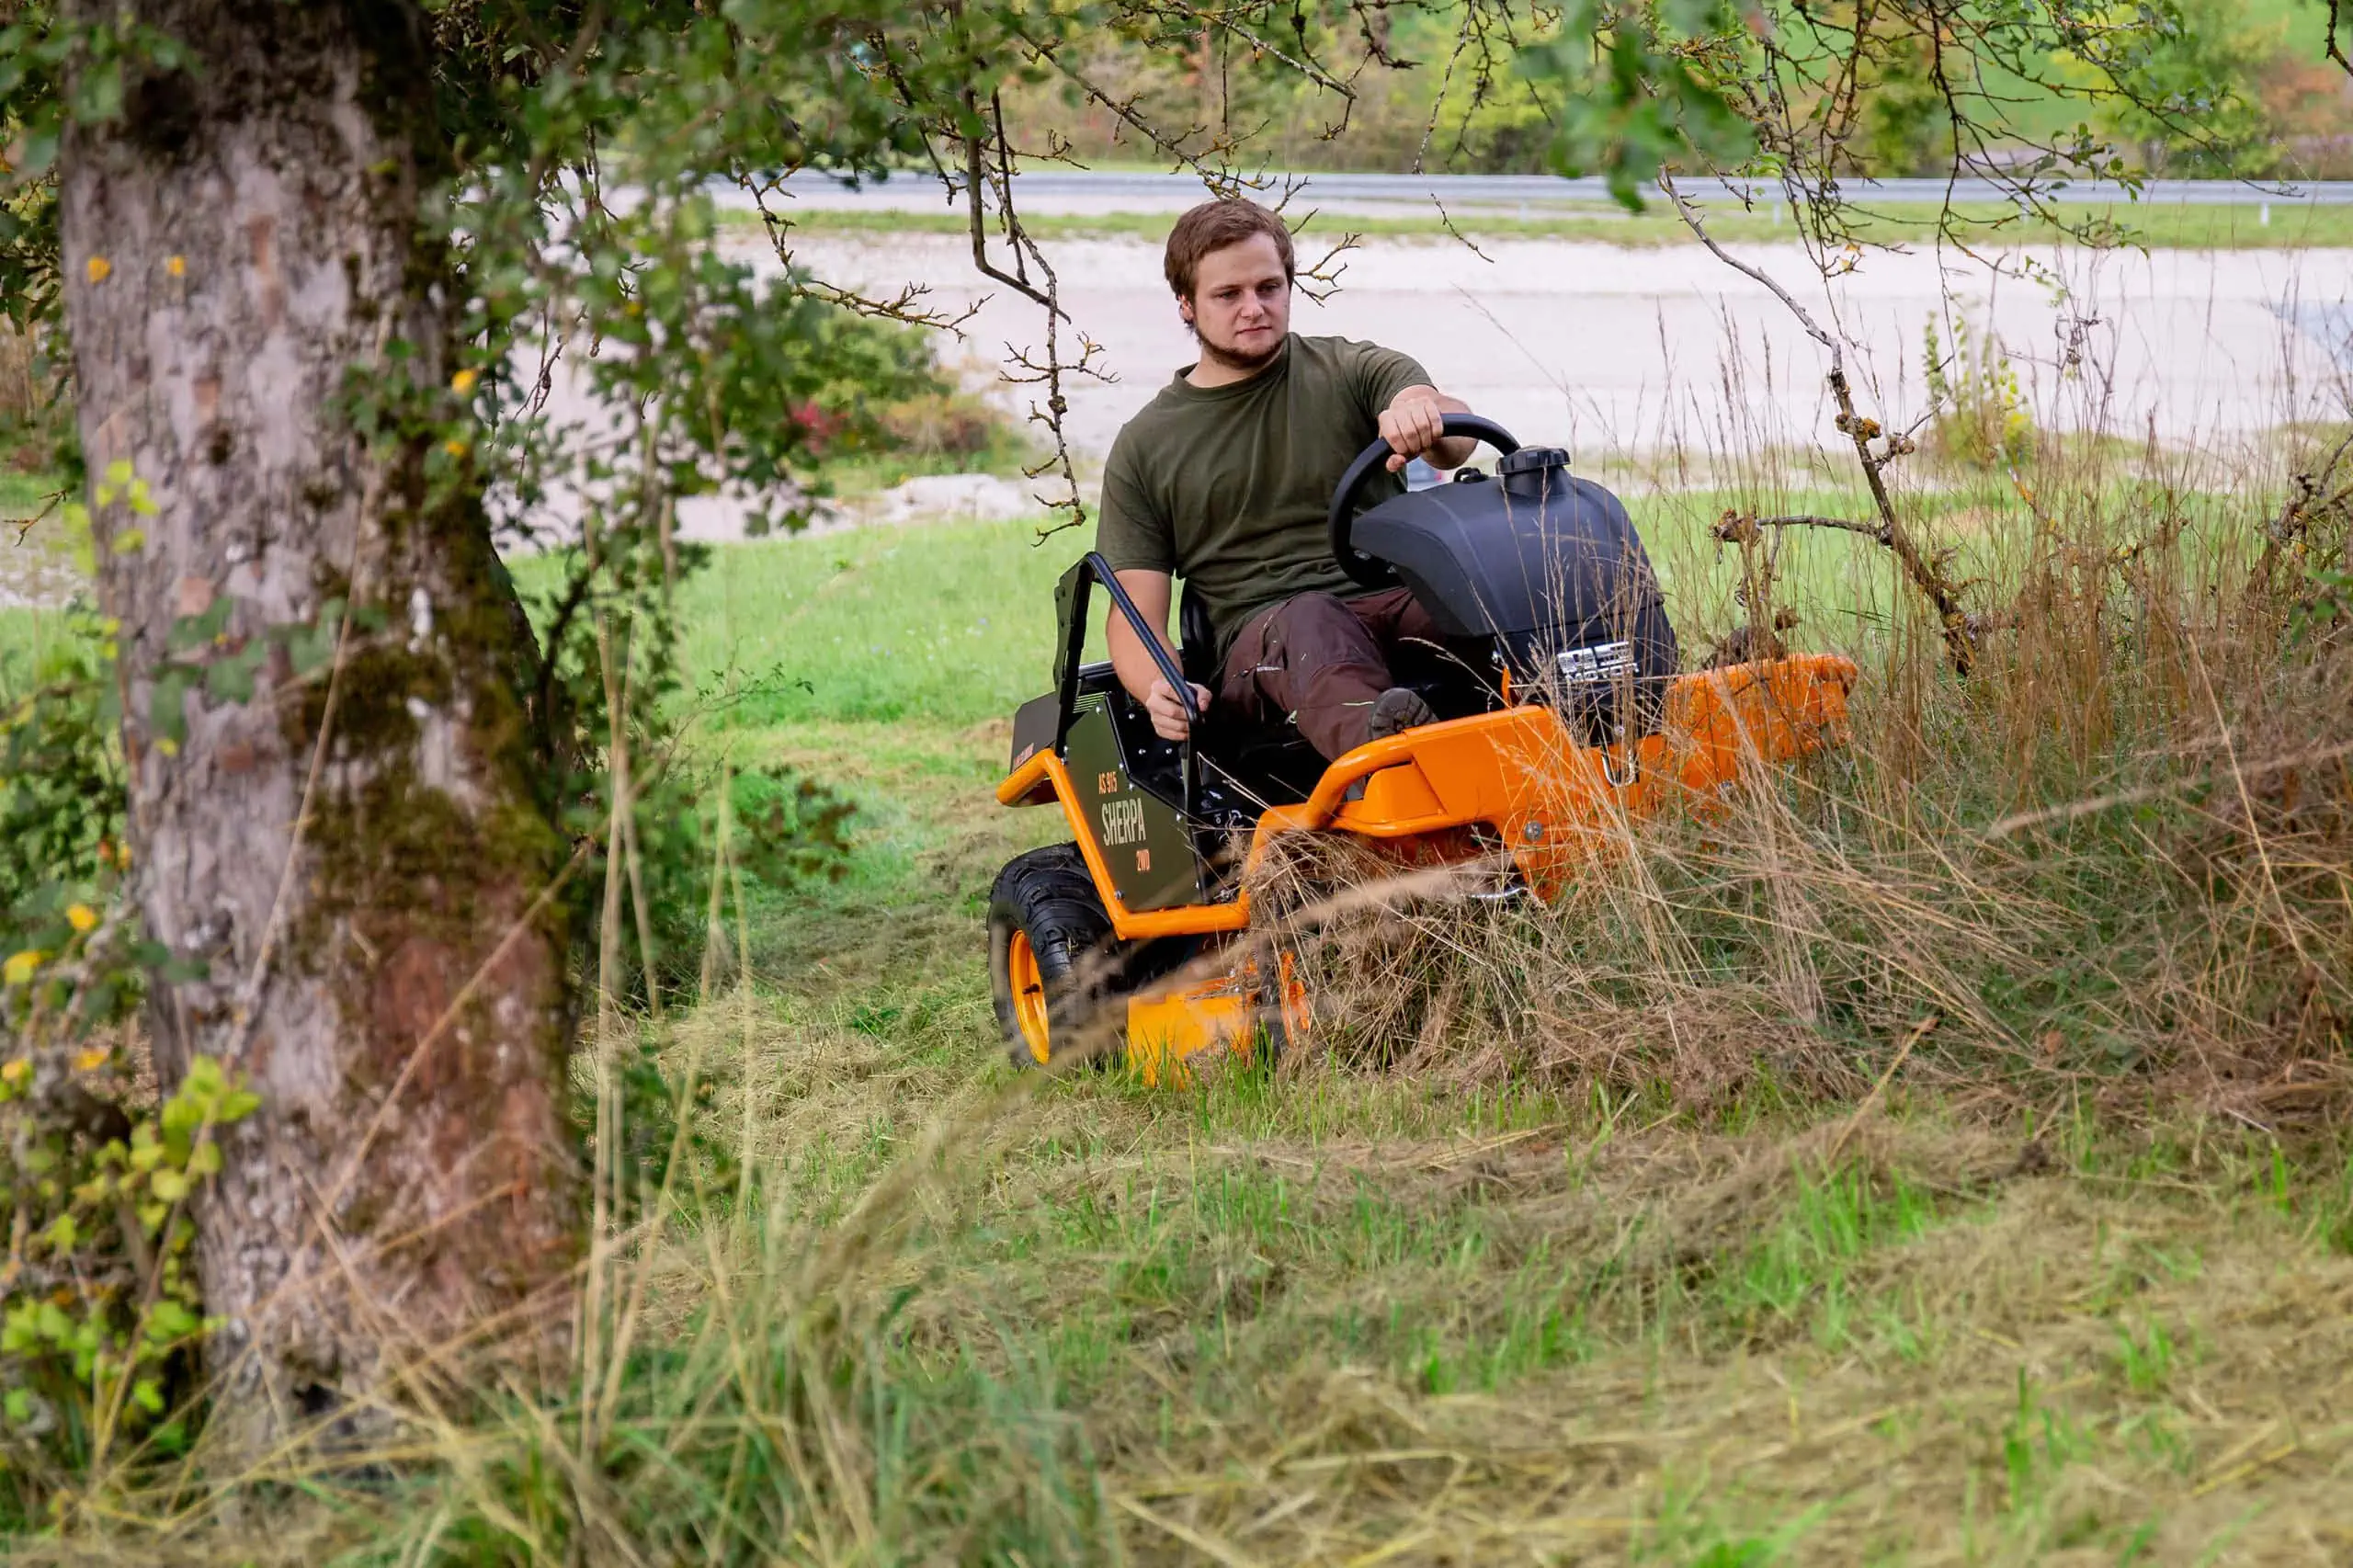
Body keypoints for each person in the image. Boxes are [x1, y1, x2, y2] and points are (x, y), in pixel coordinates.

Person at [1094, 199, 1479, 762]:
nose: (1253, 308)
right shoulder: (1146, 445)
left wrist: (1421, 414)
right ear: (1186, 305)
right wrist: (1159, 686)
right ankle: (1392, 768)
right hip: (1267, 639)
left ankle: (1585, 741)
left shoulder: (1349, 369)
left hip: (1389, 596)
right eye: (1228, 295)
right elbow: (1134, 613)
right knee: (1312, 619)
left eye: (1269, 288)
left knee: (1488, 595)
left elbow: (1450, 427)